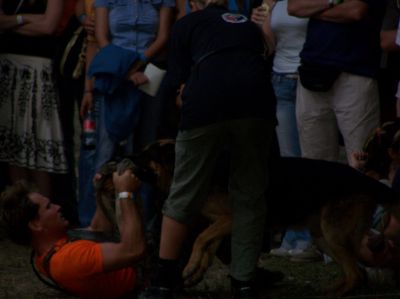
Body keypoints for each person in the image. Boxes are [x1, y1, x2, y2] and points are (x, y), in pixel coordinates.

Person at [141, 0, 277, 298]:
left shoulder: (186, 24)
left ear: (194, 4)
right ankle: (243, 281)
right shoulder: (248, 25)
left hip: (207, 102)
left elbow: (176, 81)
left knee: (184, 191)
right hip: (257, 103)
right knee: (250, 193)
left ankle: (163, 280)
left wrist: (182, 103)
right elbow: (264, 61)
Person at [0, 170, 145, 299]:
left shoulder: (49, 249)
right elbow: (133, 250)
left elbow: (98, 229)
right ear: (36, 225)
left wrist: (102, 191)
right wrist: (125, 192)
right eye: (49, 207)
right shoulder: (69, 259)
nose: (58, 207)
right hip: (145, 278)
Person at [251, 0, 317, 262]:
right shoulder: (275, 1)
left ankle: (312, 237)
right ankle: (294, 235)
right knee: (290, 160)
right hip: (280, 80)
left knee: (310, 158)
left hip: (307, 79)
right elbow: (268, 46)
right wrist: (258, 23)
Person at [287, 0, 386, 165]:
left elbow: (355, 11)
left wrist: (313, 10)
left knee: (362, 159)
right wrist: (333, 2)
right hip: (313, 72)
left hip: (356, 73)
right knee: (314, 161)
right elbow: (294, 7)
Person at [0, 0, 68, 203]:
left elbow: (49, 26)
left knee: (38, 145)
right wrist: (28, 19)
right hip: (8, 68)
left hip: (39, 70)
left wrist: (13, 23)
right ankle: (19, 210)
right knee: (13, 145)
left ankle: (42, 208)